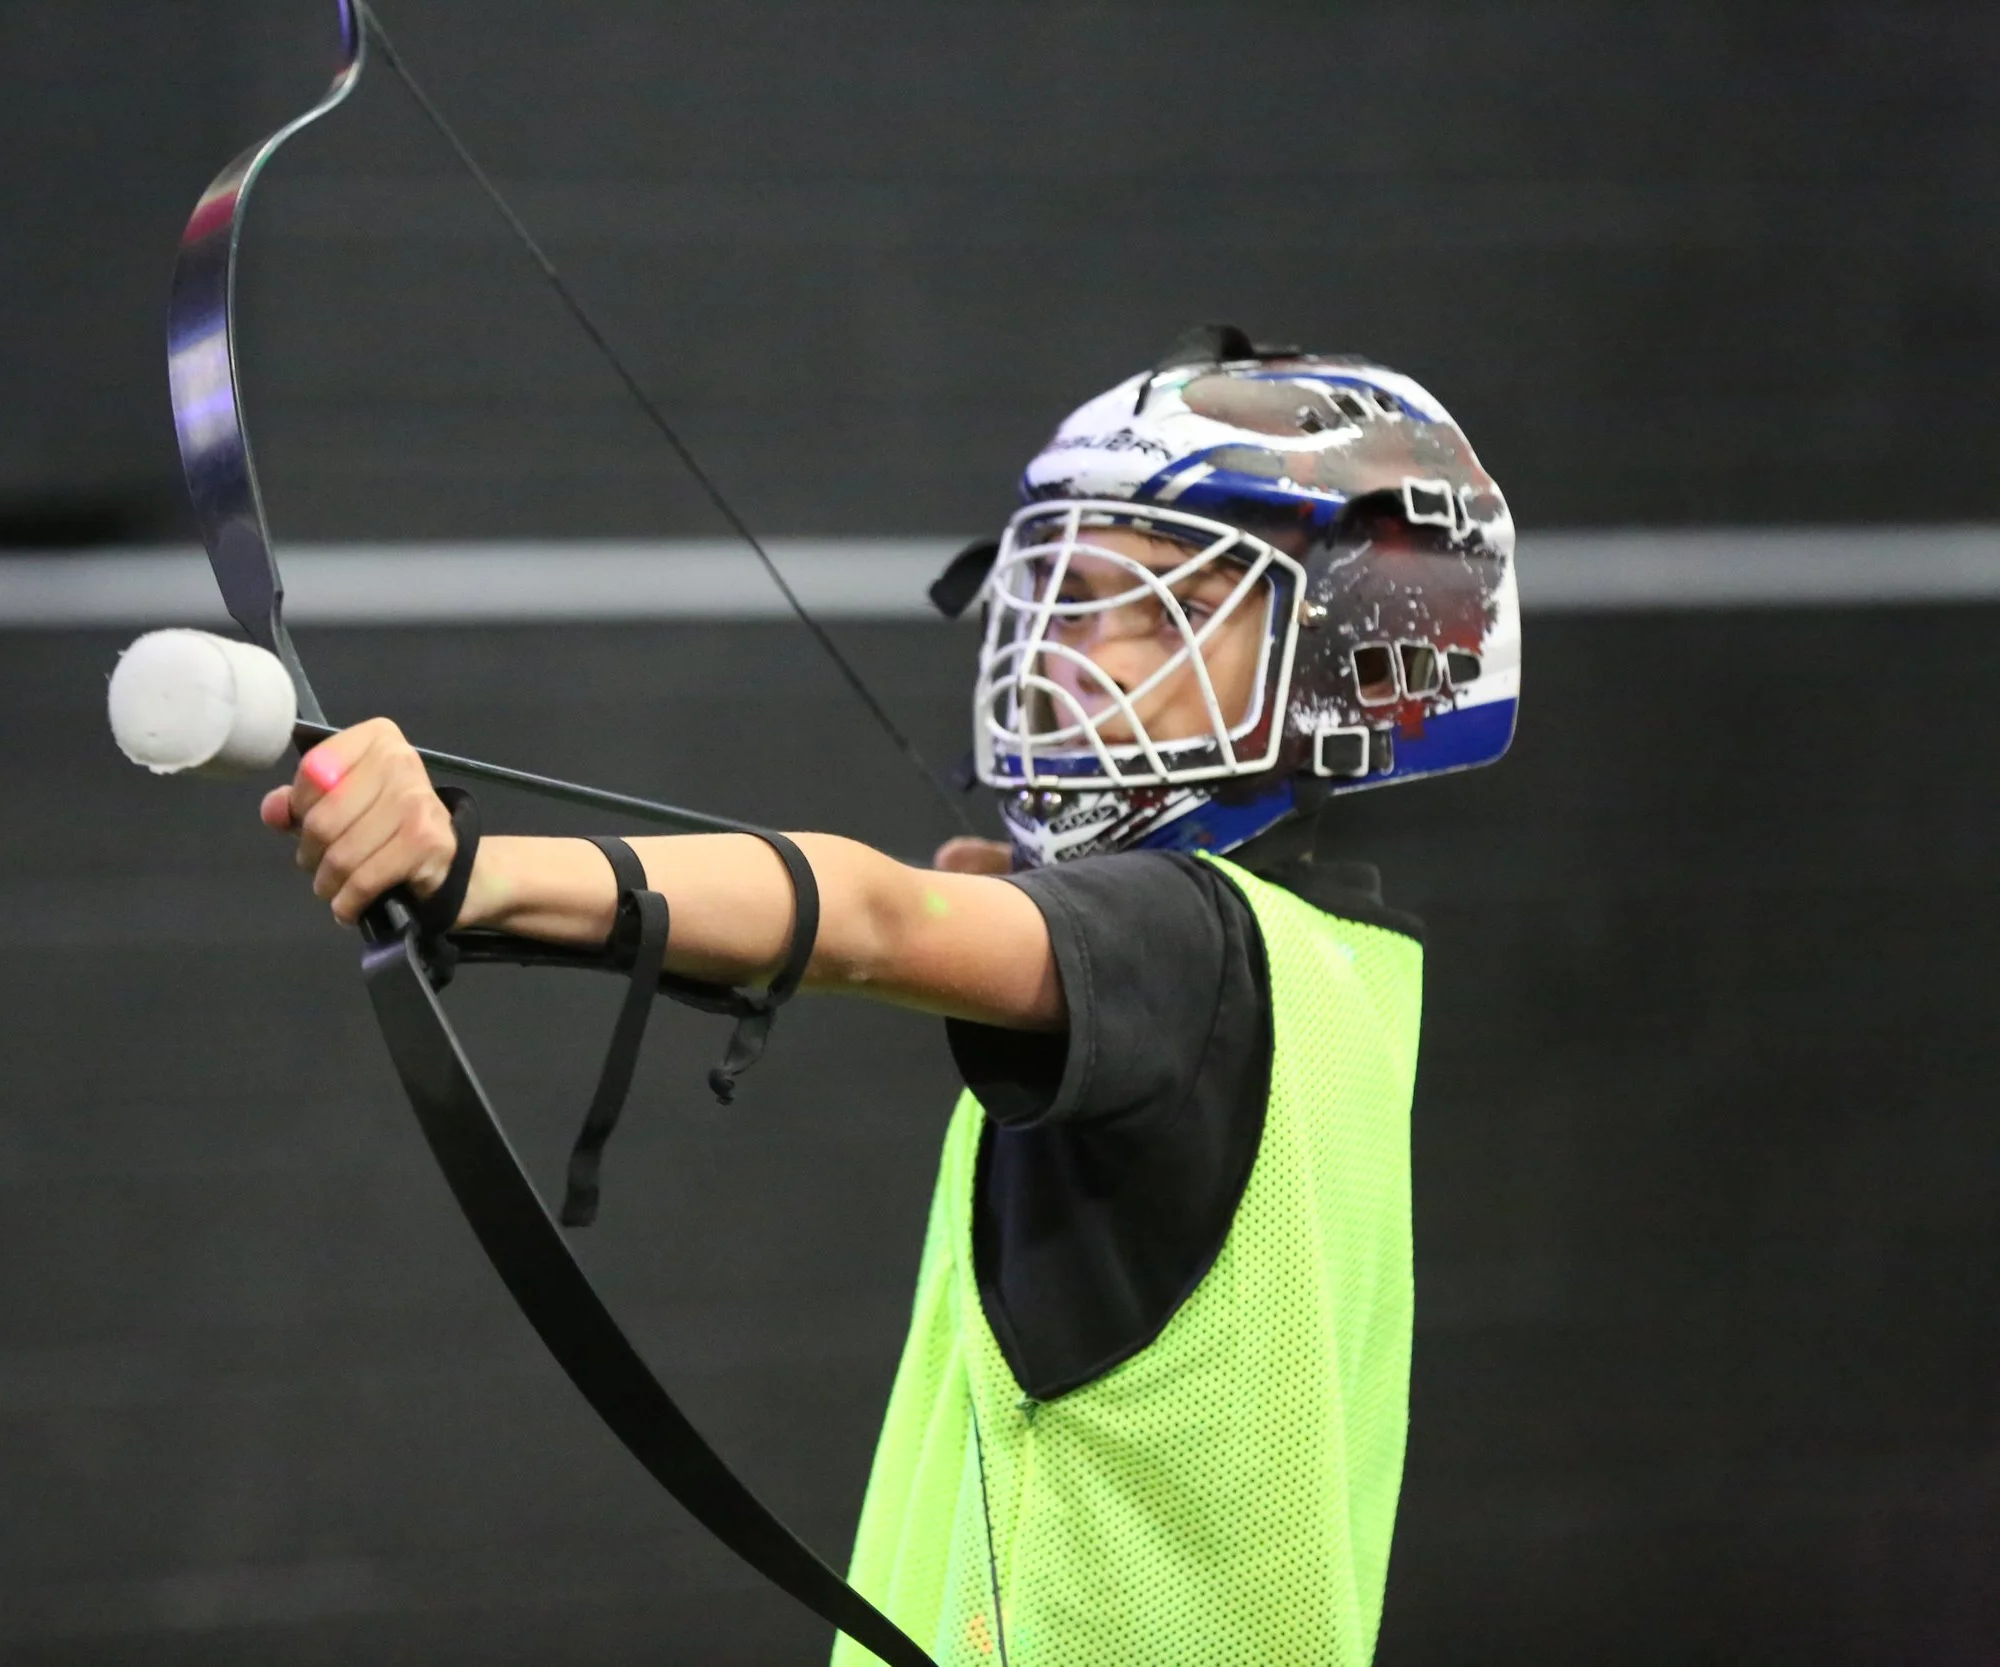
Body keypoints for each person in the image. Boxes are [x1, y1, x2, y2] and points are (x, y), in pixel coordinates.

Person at [260, 325, 1518, 1666]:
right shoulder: (1336, 966)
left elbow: (864, 914)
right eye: (1063, 593)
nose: (1071, 651)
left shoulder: (1185, 952)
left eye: (1156, 601)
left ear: (1357, 660)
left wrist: (470, 870)